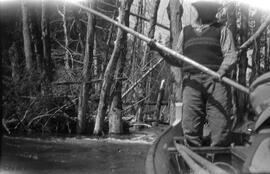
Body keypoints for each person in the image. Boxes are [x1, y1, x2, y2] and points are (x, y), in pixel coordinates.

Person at [149, 0, 237, 147]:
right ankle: (192, 163)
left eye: (212, 9)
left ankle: (219, 164)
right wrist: (159, 50)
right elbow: (178, 59)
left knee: (221, 129)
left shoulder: (223, 31)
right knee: (190, 128)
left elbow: (230, 55)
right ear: (199, 10)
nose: (209, 12)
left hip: (217, 82)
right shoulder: (186, 32)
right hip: (191, 83)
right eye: (206, 9)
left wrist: (222, 71)